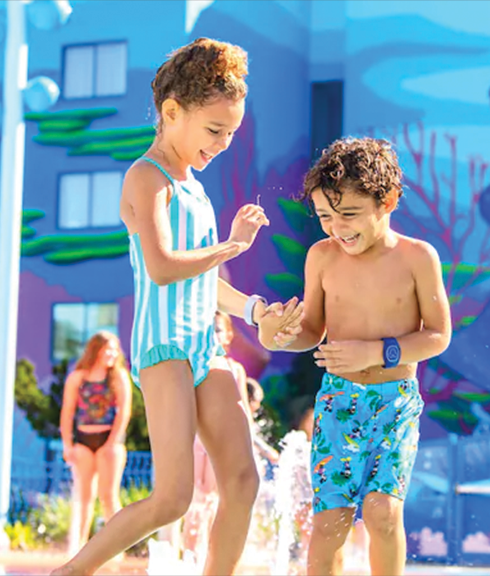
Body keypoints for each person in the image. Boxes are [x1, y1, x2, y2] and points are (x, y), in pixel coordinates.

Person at [52, 37, 302, 576]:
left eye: (231, 133)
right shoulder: (147, 178)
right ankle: (67, 573)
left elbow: (207, 280)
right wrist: (233, 245)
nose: (224, 143)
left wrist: (257, 311)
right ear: (171, 112)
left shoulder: (197, 190)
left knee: (243, 480)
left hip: (204, 345)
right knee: (173, 499)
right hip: (163, 348)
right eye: (215, 130)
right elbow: (164, 266)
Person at [260, 137, 452, 576]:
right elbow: (310, 330)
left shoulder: (418, 258)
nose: (336, 228)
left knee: (383, 512)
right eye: (326, 216)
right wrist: (276, 337)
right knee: (330, 524)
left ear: (388, 201)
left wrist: (378, 351)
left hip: (395, 401)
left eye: (348, 214)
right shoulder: (321, 258)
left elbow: (438, 335)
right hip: (338, 404)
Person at [59, 331, 134, 552]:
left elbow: (124, 411)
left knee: (108, 496)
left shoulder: (118, 376)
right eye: (107, 349)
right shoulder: (78, 377)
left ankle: (117, 548)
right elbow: (67, 411)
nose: (111, 353)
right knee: (84, 496)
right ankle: (78, 547)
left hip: (109, 439)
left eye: (114, 349)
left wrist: (112, 443)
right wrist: (67, 444)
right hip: (83, 440)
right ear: (96, 349)